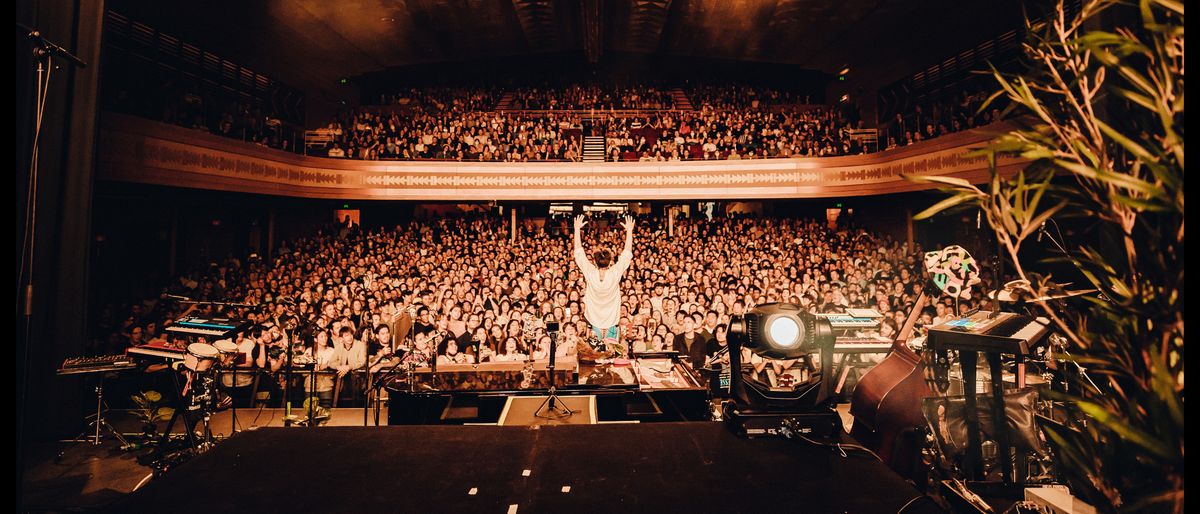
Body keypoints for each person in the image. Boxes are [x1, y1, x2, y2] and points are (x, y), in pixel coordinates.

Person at [573, 214, 634, 345]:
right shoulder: (614, 273)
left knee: (594, 358)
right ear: (610, 262)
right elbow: (627, 253)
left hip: (594, 323)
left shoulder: (590, 273)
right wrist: (629, 231)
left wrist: (577, 229)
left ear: (595, 262)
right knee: (612, 357)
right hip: (612, 323)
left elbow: (579, 253)